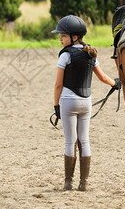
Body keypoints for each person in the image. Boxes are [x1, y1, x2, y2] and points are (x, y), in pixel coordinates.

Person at [52, 15, 121, 191]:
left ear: (75, 36)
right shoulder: (90, 53)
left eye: (63, 36)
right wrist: (116, 84)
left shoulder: (65, 56)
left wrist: (56, 106)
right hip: (86, 102)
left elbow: (58, 84)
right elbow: (103, 77)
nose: (60, 39)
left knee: (70, 141)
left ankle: (68, 182)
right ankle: (84, 183)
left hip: (68, 101)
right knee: (84, 140)